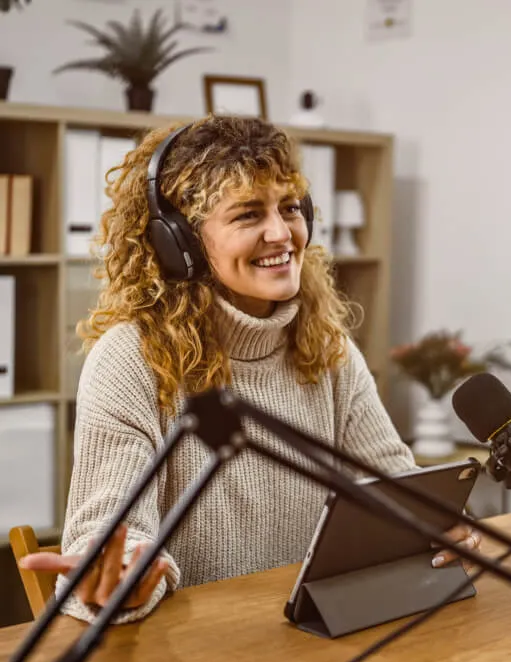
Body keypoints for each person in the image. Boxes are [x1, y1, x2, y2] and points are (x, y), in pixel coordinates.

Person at [18, 116, 479, 623]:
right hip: (191, 652)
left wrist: (437, 526)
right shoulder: (130, 360)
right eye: (247, 214)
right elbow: (108, 537)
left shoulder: (327, 347)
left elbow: (394, 484)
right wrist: (121, 578)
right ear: (180, 243)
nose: (281, 234)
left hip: (312, 636)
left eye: (290, 208)